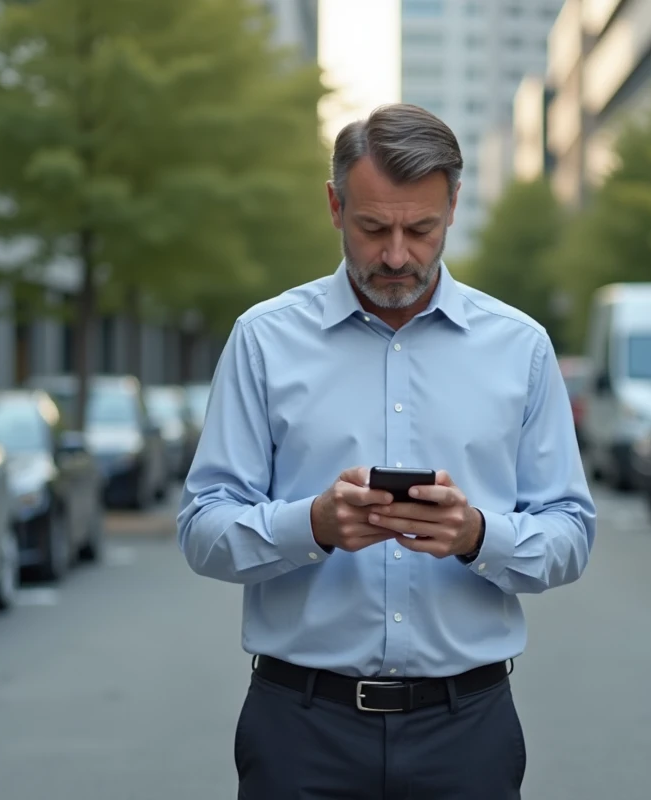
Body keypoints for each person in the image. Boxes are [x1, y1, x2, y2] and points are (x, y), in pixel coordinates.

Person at [177, 103, 596, 800]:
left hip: (467, 733)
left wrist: (477, 535)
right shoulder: (263, 340)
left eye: (421, 228)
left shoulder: (521, 347)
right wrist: (309, 525)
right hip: (299, 731)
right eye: (373, 228)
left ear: (454, 206)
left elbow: (570, 532)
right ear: (335, 205)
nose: (397, 255)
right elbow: (202, 527)